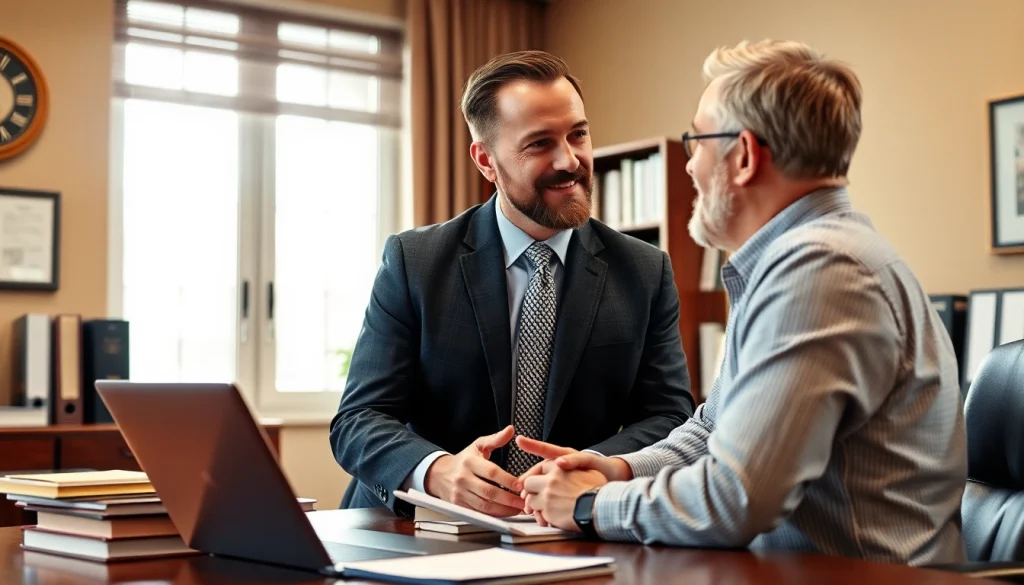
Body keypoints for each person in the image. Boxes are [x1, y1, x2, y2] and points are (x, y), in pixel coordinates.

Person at [516, 39, 968, 566]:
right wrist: (615, 468)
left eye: (697, 142)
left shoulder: (821, 271)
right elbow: (714, 428)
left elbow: (735, 499)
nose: (689, 168)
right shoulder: (803, 259)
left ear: (746, 156)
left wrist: (592, 505)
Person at [329, 50, 694, 518]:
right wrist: (435, 469)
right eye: (539, 143)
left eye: (578, 134)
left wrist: (600, 466)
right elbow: (358, 419)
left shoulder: (645, 271)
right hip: (415, 527)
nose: (570, 160)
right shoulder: (414, 261)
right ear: (485, 160)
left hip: (567, 528)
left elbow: (669, 417)